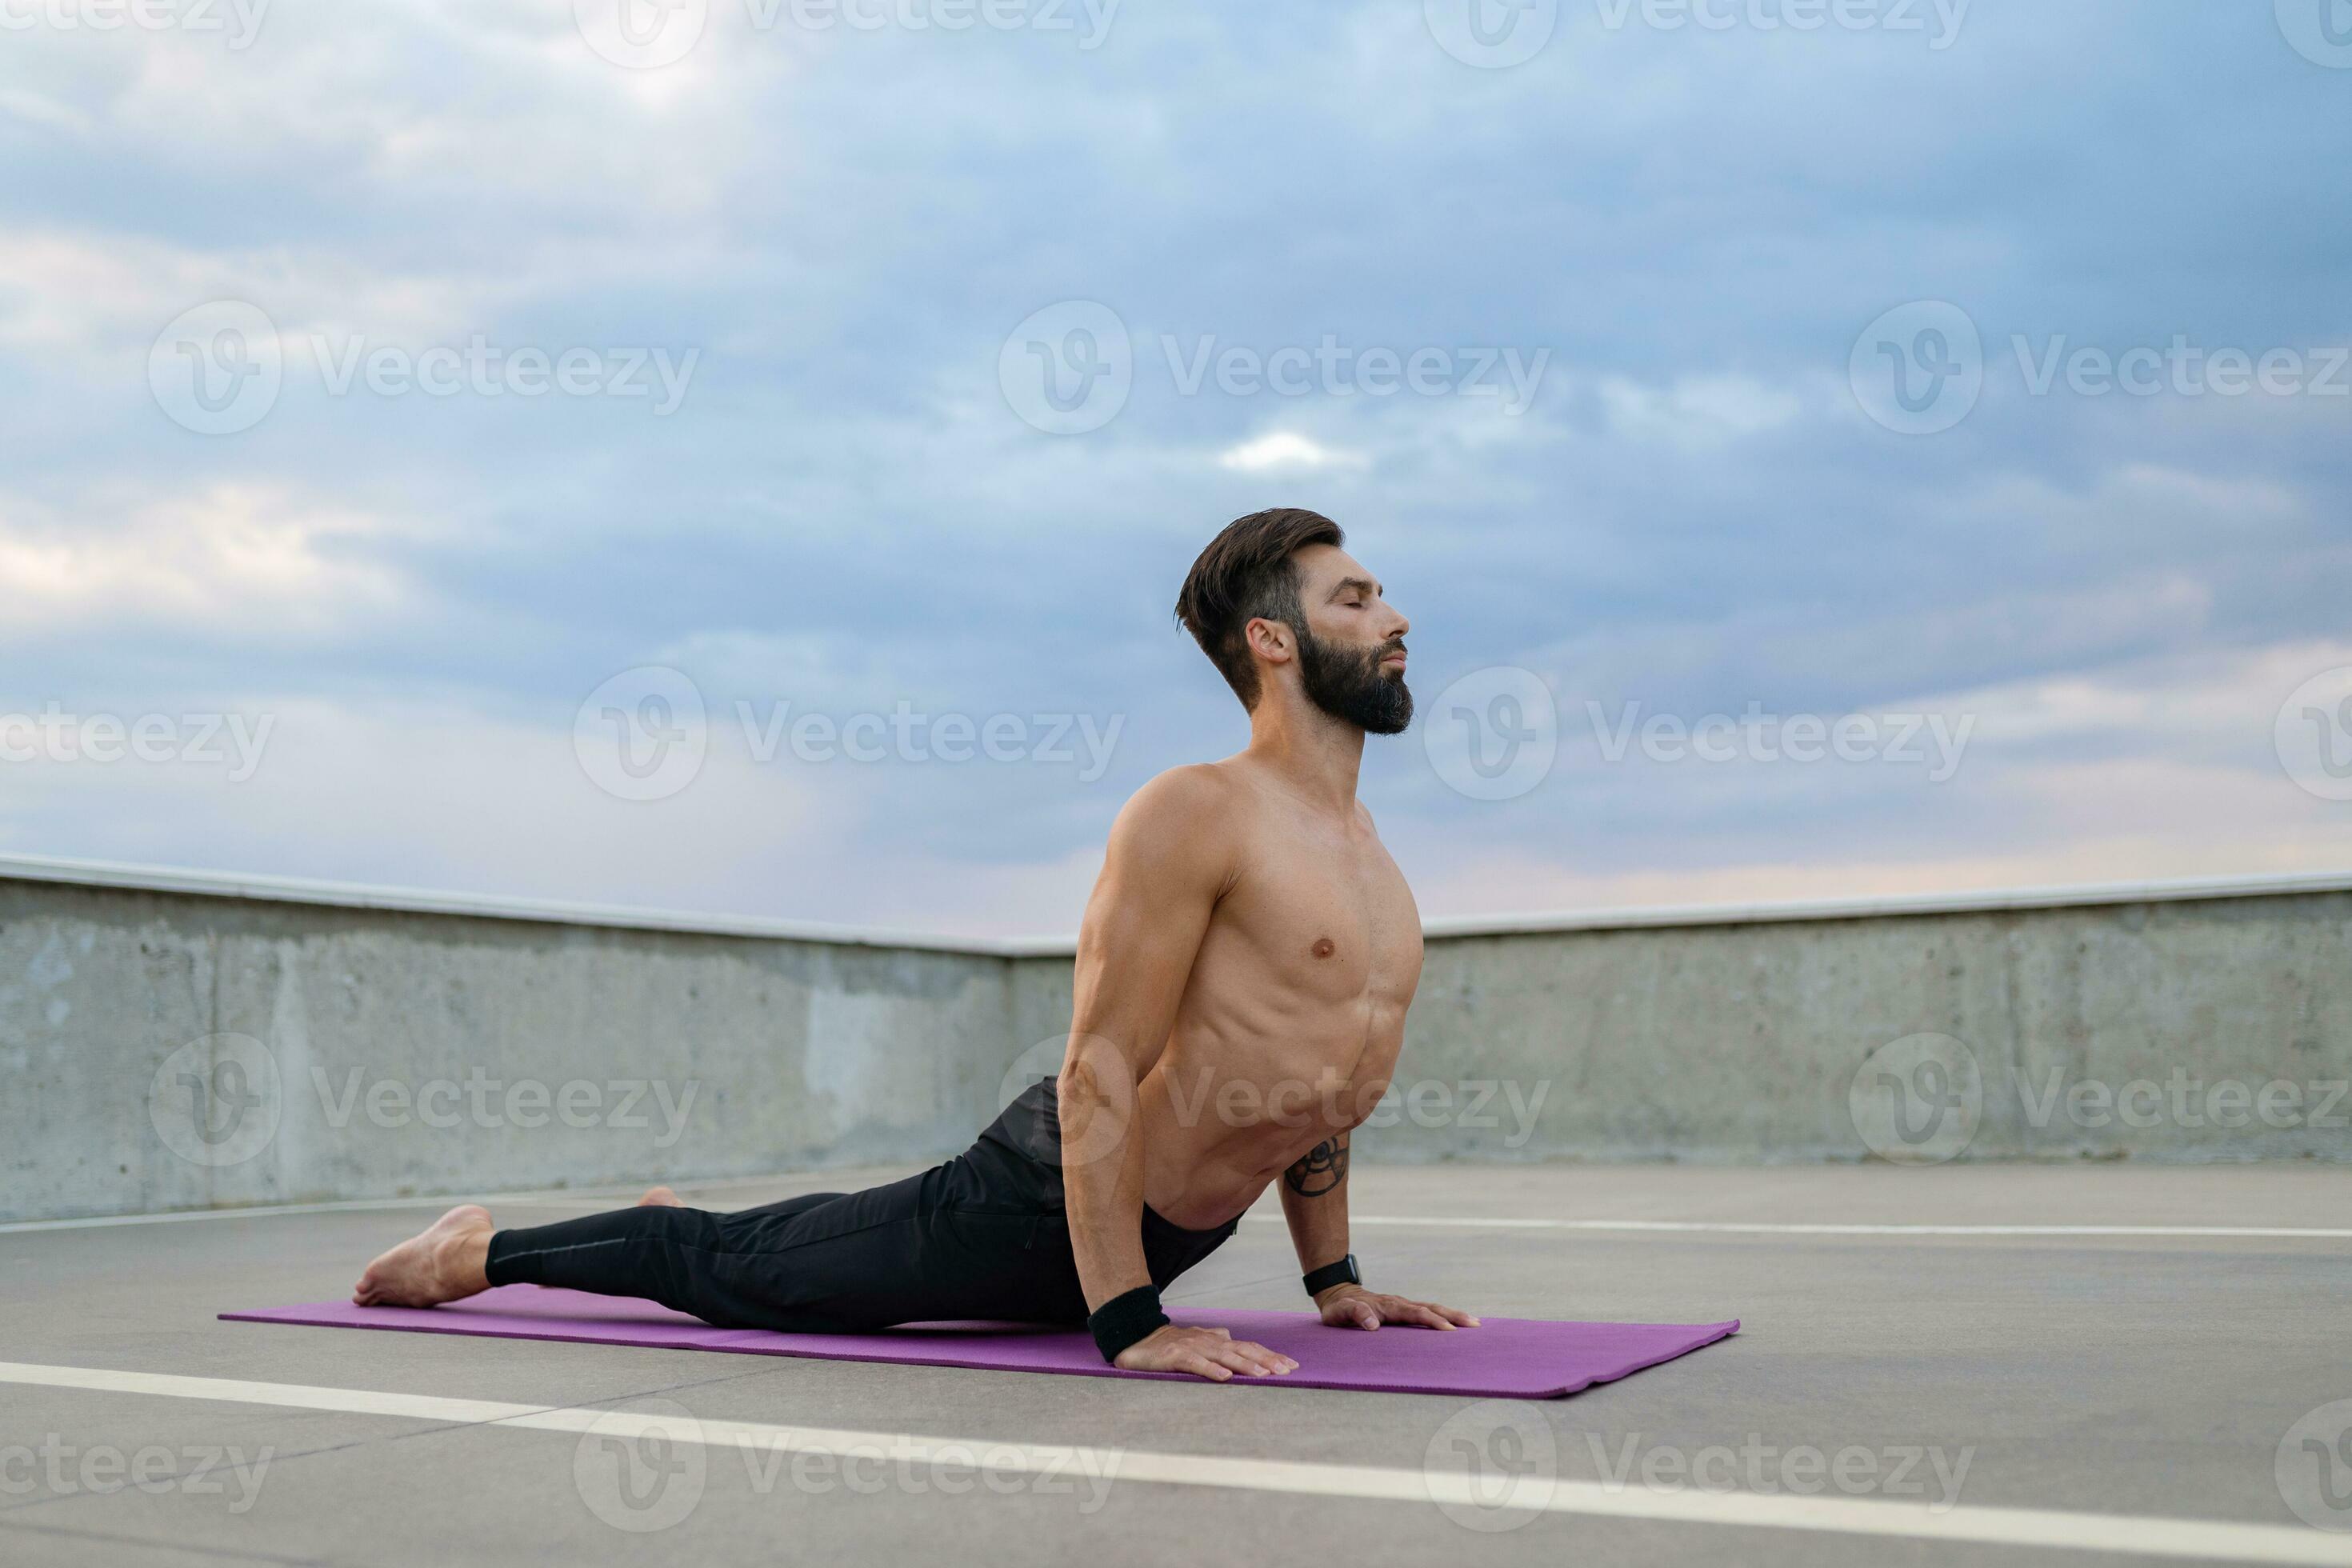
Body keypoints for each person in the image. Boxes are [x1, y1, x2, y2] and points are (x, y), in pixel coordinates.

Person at [353, 507, 1478, 1382]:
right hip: (1037, 1207)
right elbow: (1098, 1067)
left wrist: (1333, 1280)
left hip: (1167, 1236)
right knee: (740, 1275)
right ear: (1273, 639)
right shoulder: (1195, 813)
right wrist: (1129, 1324)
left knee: (781, 1249)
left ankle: (680, 1227)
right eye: (1357, 599)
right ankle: (472, 1252)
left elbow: (1313, 1089)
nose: (1397, 619)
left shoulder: (1366, 853)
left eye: (1385, 596)